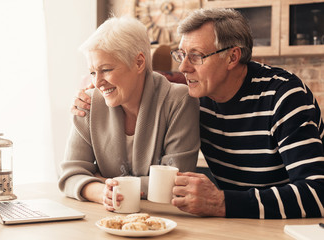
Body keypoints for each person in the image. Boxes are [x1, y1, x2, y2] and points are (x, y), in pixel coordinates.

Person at [71, 8, 324, 219]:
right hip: (234, 226)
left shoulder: (284, 96)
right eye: (181, 54)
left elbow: (318, 193)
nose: (183, 67)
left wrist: (223, 202)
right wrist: (97, 85)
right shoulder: (197, 98)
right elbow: (152, 86)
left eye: (196, 56)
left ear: (232, 57)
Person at [58, 16, 200, 211]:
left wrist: (103, 180)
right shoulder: (88, 103)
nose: (98, 82)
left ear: (139, 62)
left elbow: (175, 183)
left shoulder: (179, 101)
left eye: (106, 70)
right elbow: (70, 176)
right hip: (105, 218)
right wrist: (104, 193)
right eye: (92, 72)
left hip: (164, 220)